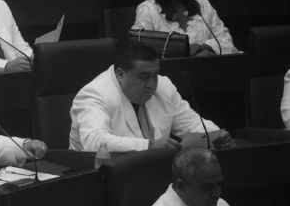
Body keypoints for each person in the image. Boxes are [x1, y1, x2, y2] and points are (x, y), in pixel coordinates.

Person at [69, 41, 232, 152]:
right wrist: (149, 146)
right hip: (101, 175)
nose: (152, 84)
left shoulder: (164, 86)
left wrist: (215, 135)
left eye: (155, 75)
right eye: (143, 76)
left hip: (153, 170)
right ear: (120, 74)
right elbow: (94, 142)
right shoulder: (95, 94)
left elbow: (191, 122)